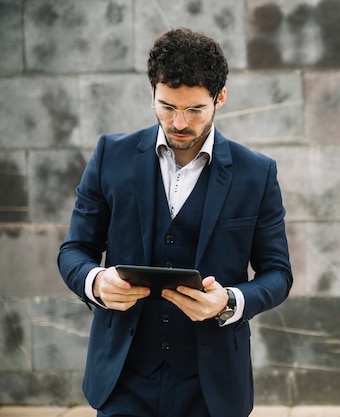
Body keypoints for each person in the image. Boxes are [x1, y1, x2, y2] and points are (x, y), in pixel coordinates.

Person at [57, 27, 293, 417]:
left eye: (195, 109)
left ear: (220, 99)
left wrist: (230, 301)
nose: (179, 122)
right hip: (123, 378)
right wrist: (95, 282)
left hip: (211, 386)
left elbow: (278, 273)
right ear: (152, 91)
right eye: (167, 106)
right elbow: (75, 250)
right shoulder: (109, 157)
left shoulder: (257, 173)